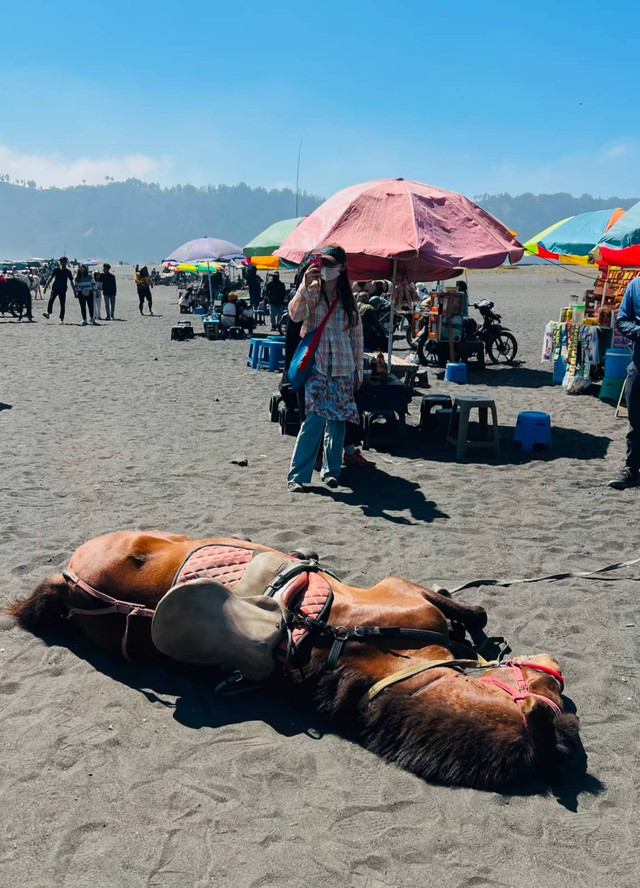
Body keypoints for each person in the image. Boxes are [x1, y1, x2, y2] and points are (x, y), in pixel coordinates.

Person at [287, 245, 363, 492]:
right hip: (317, 366)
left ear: (341, 268)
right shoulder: (312, 294)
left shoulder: (348, 302)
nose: (326, 270)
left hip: (343, 368)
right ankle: (298, 475)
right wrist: (304, 285)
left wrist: (358, 371)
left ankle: (331, 472)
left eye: (331, 265)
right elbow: (295, 315)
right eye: (323, 264)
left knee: (338, 422)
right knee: (314, 419)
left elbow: (356, 338)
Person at [609, 276, 640, 489]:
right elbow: (622, 320)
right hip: (639, 361)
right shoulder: (635, 285)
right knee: (636, 420)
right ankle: (631, 470)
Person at [43, 256, 75, 324]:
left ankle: (61, 319)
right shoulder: (56, 270)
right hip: (55, 288)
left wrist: (75, 291)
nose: (63, 263)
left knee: (62, 304)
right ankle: (48, 313)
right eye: (62, 262)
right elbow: (51, 278)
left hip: (63, 289)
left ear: (66, 263)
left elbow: (71, 282)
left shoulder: (68, 272)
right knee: (51, 300)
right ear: (60, 262)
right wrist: (45, 287)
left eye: (64, 262)